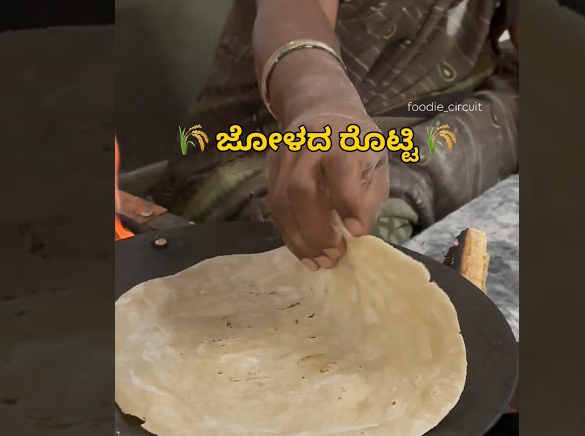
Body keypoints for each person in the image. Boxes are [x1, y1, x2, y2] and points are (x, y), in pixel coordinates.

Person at [148, 0, 519, 269]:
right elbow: (291, 10)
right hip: (272, 140)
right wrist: (319, 99)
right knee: (331, 222)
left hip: (452, 110)